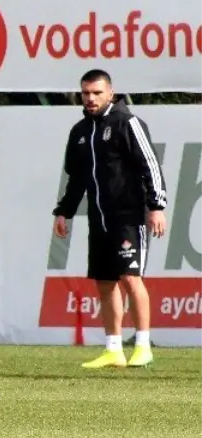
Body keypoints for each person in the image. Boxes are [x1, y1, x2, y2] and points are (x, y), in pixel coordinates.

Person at [53, 69, 167, 369]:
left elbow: (150, 166)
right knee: (105, 284)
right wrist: (63, 211)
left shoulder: (127, 122)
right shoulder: (79, 132)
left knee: (131, 278)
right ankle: (113, 349)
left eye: (96, 93)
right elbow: (75, 179)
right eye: (86, 93)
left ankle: (143, 345)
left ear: (110, 93)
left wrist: (157, 206)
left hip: (128, 216)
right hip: (98, 220)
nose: (90, 99)